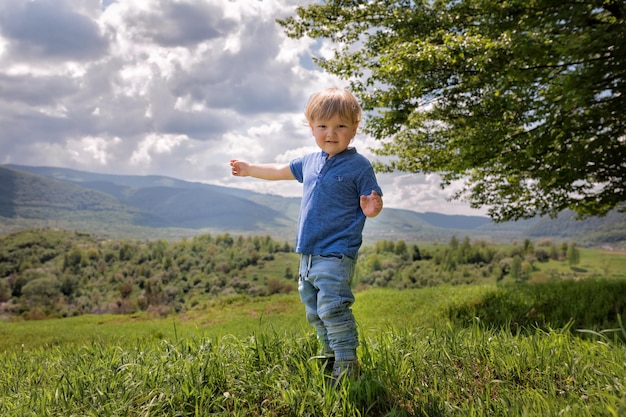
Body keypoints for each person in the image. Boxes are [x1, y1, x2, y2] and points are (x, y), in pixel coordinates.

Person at [230, 88, 383, 382]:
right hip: (309, 254)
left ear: (354, 129)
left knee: (333, 308)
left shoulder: (359, 165)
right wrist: (249, 169)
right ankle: (330, 355)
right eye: (323, 126)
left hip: (337, 253)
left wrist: (372, 207)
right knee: (314, 311)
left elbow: (371, 202)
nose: (331, 133)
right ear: (311, 127)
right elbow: (278, 171)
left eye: (340, 126)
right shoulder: (310, 161)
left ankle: (347, 363)